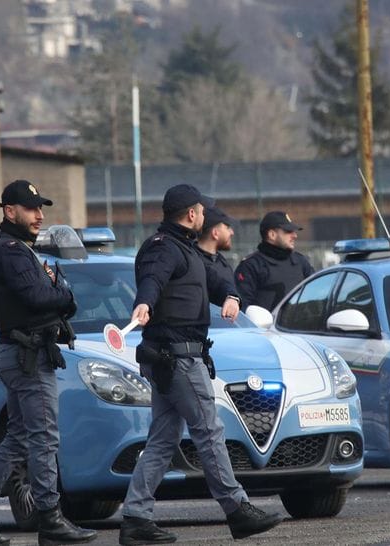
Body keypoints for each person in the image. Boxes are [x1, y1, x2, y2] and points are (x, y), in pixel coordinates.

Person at [119, 184, 283, 545]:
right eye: (203, 210)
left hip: (178, 357)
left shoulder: (187, 251)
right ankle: (237, 509)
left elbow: (216, 279)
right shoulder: (163, 249)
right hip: (176, 357)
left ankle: (135, 518)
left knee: (163, 440)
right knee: (208, 432)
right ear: (191, 214)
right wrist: (143, 303)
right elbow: (152, 280)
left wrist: (231, 296)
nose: (207, 216)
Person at [0, 179, 96, 545]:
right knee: (44, 437)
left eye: (41, 208)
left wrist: (56, 294)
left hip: (22, 353)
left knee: (19, 436)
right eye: (31, 208)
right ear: (9, 211)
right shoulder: (12, 251)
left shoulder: (15, 249)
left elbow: (41, 297)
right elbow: (38, 297)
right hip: (27, 356)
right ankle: (50, 518)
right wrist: (62, 294)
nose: (39, 215)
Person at [234, 210, 314, 311]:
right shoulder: (251, 266)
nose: (295, 236)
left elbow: (317, 292)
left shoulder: (300, 262)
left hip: (299, 325)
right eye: (288, 231)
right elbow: (244, 306)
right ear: (272, 235)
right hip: (267, 326)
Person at [196, 205, 236, 281]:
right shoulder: (195, 265)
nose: (232, 232)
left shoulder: (222, 263)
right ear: (215, 233)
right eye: (227, 227)